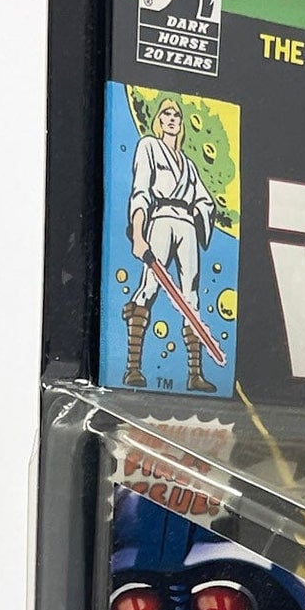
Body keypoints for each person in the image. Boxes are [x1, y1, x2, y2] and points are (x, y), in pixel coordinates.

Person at [123, 96, 217, 393]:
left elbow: (205, 200)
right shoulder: (149, 146)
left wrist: (200, 212)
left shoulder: (188, 165)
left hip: (186, 224)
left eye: (177, 114)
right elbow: (140, 192)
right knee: (149, 286)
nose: (172, 118)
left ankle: (195, 374)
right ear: (159, 120)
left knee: (191, 296)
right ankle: (132, 368)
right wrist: (139, 234)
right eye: (167, 113)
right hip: (161, 219)